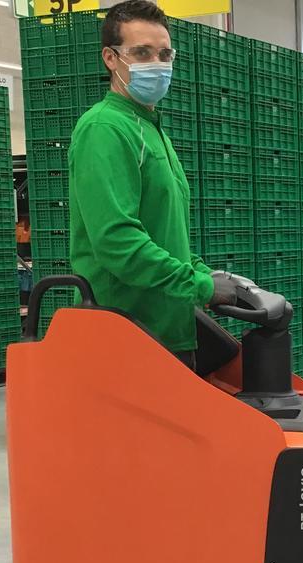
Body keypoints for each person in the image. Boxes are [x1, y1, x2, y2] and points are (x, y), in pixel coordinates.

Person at [67, 0, 237, 369]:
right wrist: (198, 286)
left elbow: (166, 233)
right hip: (128, 332)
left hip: (165, 325)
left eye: (164, 54)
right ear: (110, 58)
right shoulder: (105, 129)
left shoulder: (150, 128)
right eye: (141, 53)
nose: (156, 64)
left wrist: (204, 273)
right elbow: (117, 241)